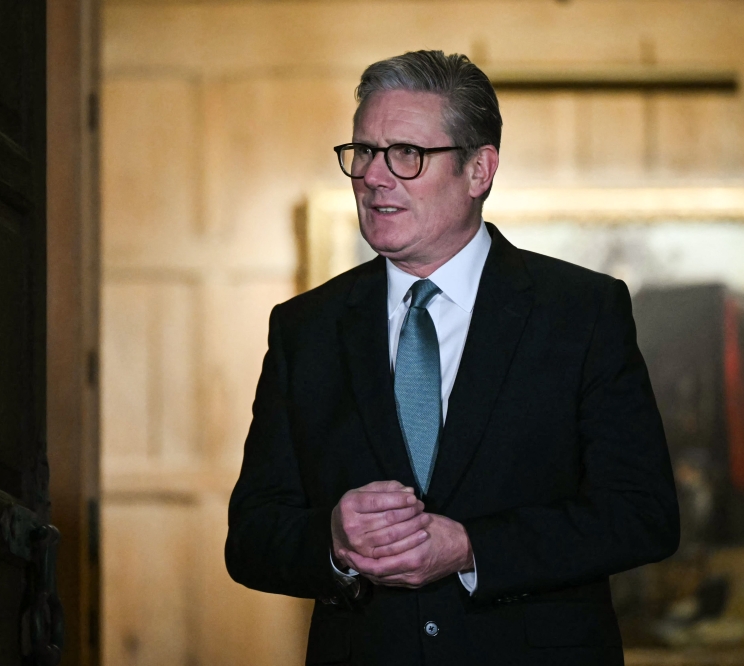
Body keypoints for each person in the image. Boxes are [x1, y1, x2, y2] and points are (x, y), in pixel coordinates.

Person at [226, 50, 679, 666]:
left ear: (479, 171)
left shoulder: (581, 313)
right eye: (363, 152)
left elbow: (641, 514)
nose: (374, 176)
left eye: (407, 155)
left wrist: (471, 548)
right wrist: (332, 542)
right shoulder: (306, 328)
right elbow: (252, 536)